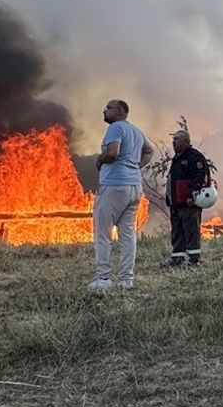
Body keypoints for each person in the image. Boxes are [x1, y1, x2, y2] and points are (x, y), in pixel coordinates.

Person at [90, 99, 153, 291]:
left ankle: (103, 279)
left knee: (103, 232)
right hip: (134, 186)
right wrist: (134, 166)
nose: (104, 111)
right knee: (127, 235)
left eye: (108, 108)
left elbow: (113, 153)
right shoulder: (136, 131)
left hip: (114, 186)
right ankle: (126, 280)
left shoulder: (115, 127)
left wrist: (100, 160)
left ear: (119, 111)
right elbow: (149, 151)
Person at [163, 129, 211, 267]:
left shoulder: (194, 157)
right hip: (176, 204)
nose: (173, 143)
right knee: (177, 232)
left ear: (186, 141)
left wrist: (192, 195)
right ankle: (177, 259)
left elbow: (200, 177)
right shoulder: (177, 158)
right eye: (173, 140)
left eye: (176, 139)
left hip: (188, 204)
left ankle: (194, 260)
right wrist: (169, 198)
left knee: (191, 232)